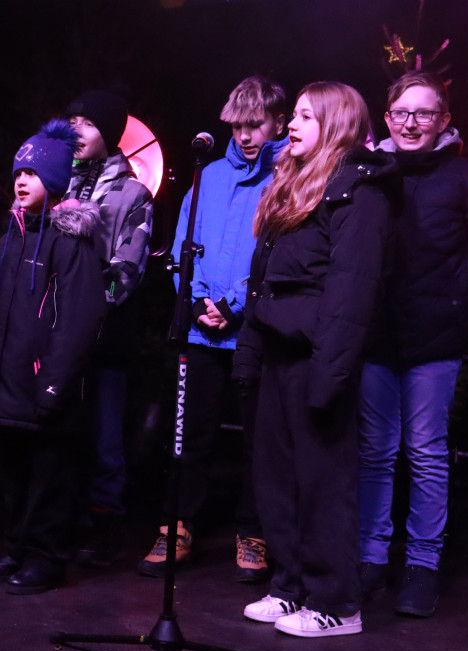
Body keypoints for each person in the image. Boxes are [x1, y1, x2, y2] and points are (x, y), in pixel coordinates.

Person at [233, 82, 396, 637]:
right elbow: (264, 283)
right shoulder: (292, 184)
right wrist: (250, 356)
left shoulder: (359, 190)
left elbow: (351, 293)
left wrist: (329, 373)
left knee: (323, 482)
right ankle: (292, 586)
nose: (293, 125)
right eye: (295, 115)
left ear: (336, 124)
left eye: (306, 116)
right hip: (279, 355)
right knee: (276, 478)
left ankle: (336, 604)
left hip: (317, 359)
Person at [358, 71, 468, 617]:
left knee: (424, 453)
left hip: (435, 339)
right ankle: (370, 558)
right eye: (401, 113)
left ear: (443, 120)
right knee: (375, 452)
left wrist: (447, 291)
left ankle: (422, 566)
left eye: (423, 113)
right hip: (376, 336)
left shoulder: (465, 176)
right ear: (387, 117)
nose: (411, 123)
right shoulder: (370, 172)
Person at [138, 76, 287, 581]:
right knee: (188, 434)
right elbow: (185, 244)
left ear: (278, 123)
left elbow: (281, 254)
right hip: (201, 328)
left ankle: (254, 531)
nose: (245, 135)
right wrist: (200, 299)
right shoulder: (211, 175)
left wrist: (235, 304)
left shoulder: (287, 175)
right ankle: (177, 525)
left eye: (256, 125)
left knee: (258, 439)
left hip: (254, 329)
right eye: (238, 126)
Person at [0, 120, 106, 595]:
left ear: (56, 180)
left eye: (34, 173)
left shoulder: (72, 241)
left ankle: (46, 559)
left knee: (50, 477)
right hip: (4, 383)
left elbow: (79, 321)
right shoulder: (11, 238)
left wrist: (53, 383)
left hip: (43, 387)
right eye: (18, 173)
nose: (22, 181)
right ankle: (18, 549)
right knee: (14, 472)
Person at [64, 89, 154, 567]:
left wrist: (85, 309)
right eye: (71, 120)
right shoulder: (57, 183)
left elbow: (128, 270)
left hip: (104, 338)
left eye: (89, 123)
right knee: (60, 431)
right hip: (55, 336)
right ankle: (59, 518)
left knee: (104, 435)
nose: (77, 131)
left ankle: (104, 525)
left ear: (110, 133)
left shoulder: (131, 193)